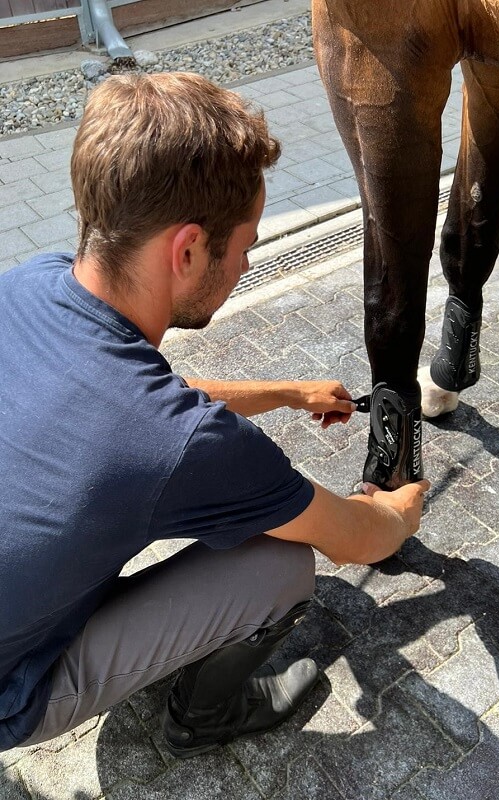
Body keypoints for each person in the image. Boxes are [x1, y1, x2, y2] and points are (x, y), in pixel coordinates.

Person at [0, 72, 429, 758]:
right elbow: (356, 539)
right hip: (9, 695)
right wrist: (401, 508)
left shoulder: (30, 282)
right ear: (189, 250)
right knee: (279, 567)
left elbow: (136, 393)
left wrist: (289, 391)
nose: (248, 260)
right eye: (247, 242)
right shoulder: (187, 444)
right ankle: (203, 720)